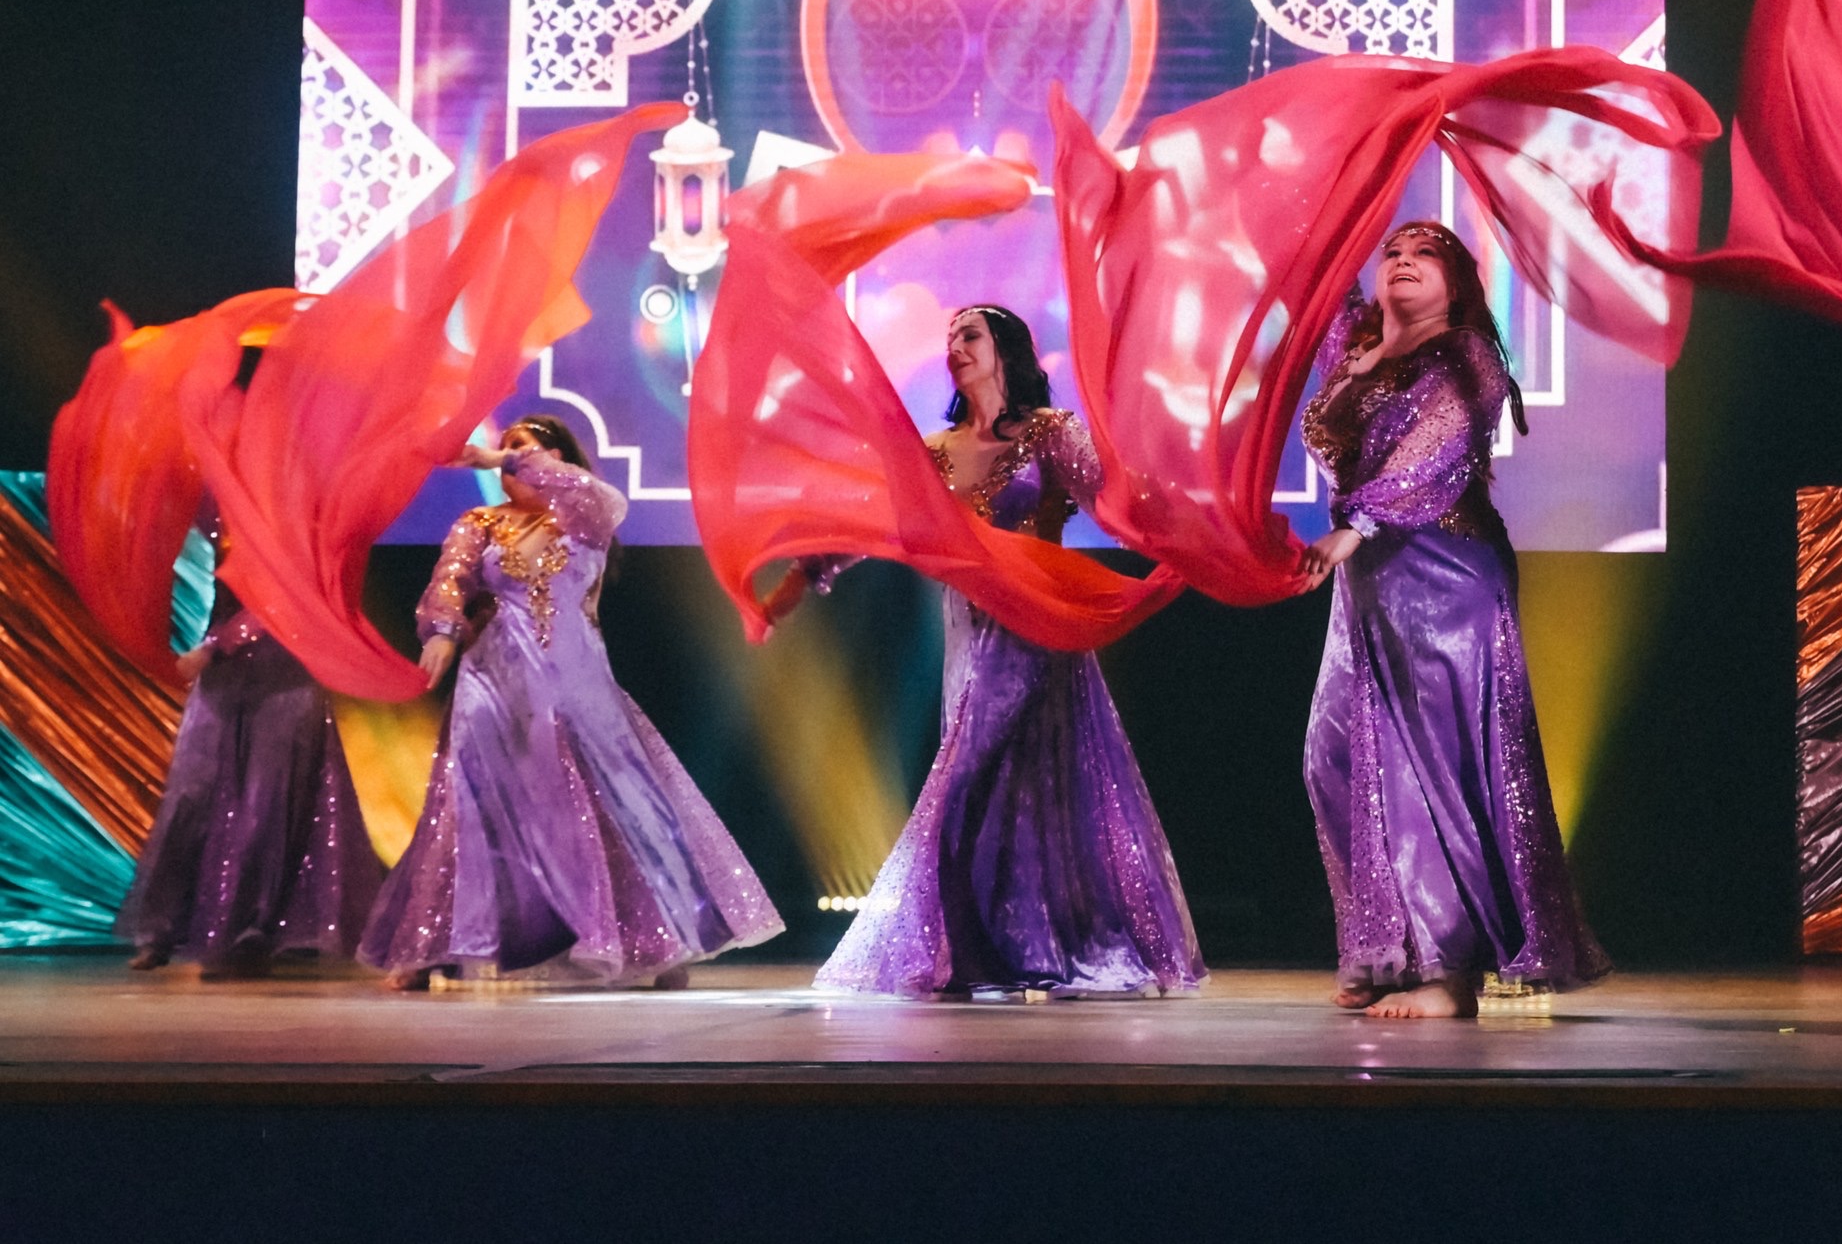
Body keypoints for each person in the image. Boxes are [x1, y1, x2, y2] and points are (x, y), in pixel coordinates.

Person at [806, 306, 1203, 999]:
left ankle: (1054, 944)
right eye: (949, 338)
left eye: (970, 335)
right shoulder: (933, 450)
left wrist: (1193, 533)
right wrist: (811, 568)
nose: (955, 347)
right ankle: (991, 952)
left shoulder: (1051, 433)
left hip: (1039, 629)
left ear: (1005, 351)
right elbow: (881, 522)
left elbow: (1115, 505)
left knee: (1005, 783)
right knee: (994, 790)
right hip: (967, 634)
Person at [1296, 222, 1608, 1019]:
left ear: (1458, 284)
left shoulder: (1467, 358)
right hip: (1367, 582)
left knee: (1425, 770)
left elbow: (1430, 451)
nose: (1402, 261)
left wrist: (1356, 524)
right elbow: (1318, 265)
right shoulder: (1353, 351)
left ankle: (1449, 969)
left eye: (1425, 254)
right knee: (1335, 757)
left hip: (1444, 575)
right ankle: (1385, 948)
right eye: (1393, 253)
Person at [360, 416, 781, 989]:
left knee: (612, 802)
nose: (506, 457)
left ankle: (654, 943)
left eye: (522, 446)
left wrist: (502, 458)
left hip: (575, 678)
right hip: (495, 677)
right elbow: (450, 583)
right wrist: (441, 631)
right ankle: (434, 948)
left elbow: (602, 496)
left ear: (556, 457)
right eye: (504, 447)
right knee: (469, 799)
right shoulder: (478, 523)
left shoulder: (585, 517)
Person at [118, 512, 382, 977]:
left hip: (284, 674)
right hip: (226, 680)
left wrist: (213, 646)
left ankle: (247, 935)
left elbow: (283, 598)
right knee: (191, 797)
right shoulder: (223, 513)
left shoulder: (301, 519)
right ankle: (162, 930)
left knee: (267, 805)